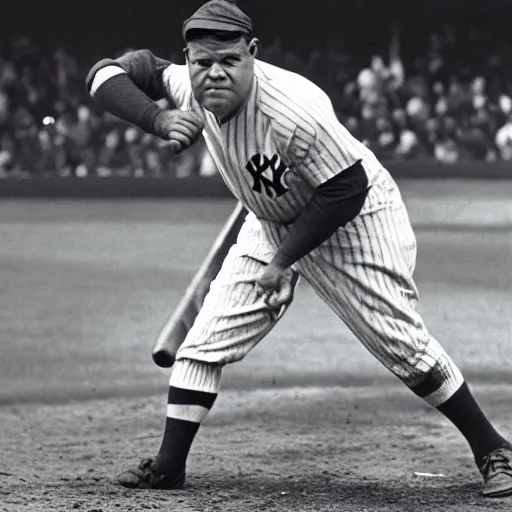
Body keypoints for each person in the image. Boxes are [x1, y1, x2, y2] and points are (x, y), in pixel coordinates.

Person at [86, 0, 512, 498]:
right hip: (272, 217)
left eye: (229, 60)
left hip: (354, 215)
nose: (215, 74)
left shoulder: (292, 108)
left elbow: (346, 189)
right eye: (203, 63)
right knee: (201, 346)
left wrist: (283, 261)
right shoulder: (186, 84)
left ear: (253, 53)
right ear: (188, 59)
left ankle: (494, 449)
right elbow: (105, 74)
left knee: (400, 343)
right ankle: (168, 466)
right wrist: (154, 120)